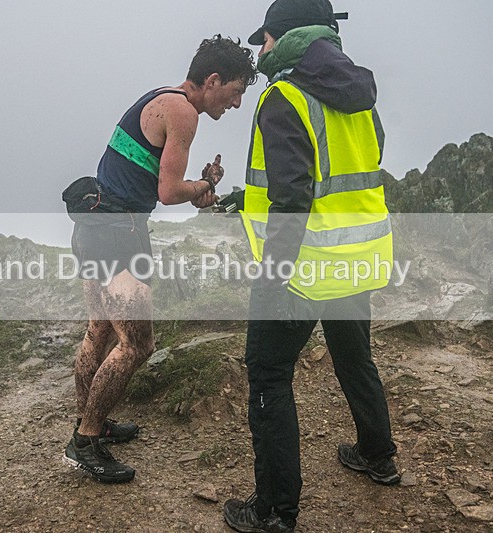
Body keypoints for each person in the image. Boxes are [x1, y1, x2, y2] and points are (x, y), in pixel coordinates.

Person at [223, 1, 399, 531]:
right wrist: (247, 197)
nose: (261, 50)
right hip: (355, 258)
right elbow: (355, 165)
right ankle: (378, 455)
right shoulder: (359, 94)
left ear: (287, 37)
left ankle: (274, 512)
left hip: (301, 269)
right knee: (355, 358)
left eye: (264, 39)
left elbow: (295, 197)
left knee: (269, 375)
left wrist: (273, 277)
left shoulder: (284, 96)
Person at [62, 35, 258, 484]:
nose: (236, 103)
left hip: (93, 224)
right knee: (137, 344)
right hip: (120, 234)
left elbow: (155, 180)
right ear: (213, 80)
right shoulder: (184, 113)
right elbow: (169, 193)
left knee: (99, 331)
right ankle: (86, 440)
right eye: (235, 92)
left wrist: (200, 186)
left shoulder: (160, 97)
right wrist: (202, 189)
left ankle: (90, 423)